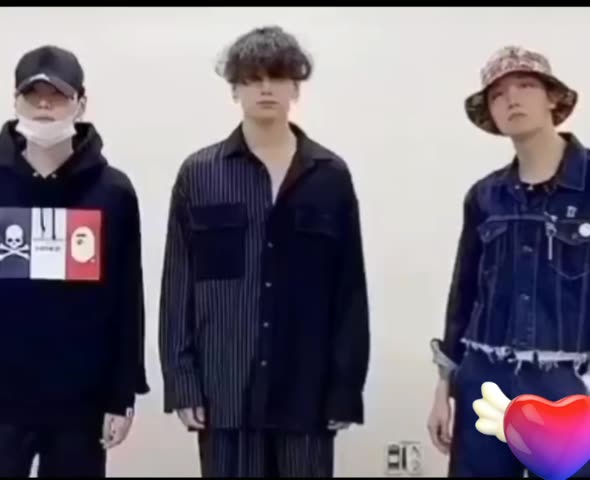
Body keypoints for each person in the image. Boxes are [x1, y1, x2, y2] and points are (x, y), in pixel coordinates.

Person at [159, 25, 370, 478]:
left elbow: (349, 290)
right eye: (253, 78)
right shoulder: (200, 174)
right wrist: (182, 382)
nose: (266, 88)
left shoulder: (330, 176)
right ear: (234, 89)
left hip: (306, 391)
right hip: (224, 391)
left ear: (296, 87)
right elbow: (178, 285)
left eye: (277, 76)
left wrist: (345, 388)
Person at [428, 45, 590, 477]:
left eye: (525, 85)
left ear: (553, 97)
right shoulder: (485, 196)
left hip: (568, 383)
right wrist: (444, 387)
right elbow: (463, 295)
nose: (511, 99)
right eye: (498, 94)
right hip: (485, 380)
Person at [0, 45, 149, 477]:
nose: (45, 106)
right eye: (33, 95)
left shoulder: (112, 192)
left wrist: (121, 393)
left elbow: (126, 297)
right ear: (15, 101)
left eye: (58, 95)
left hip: (79, 402)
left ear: (81, 103)